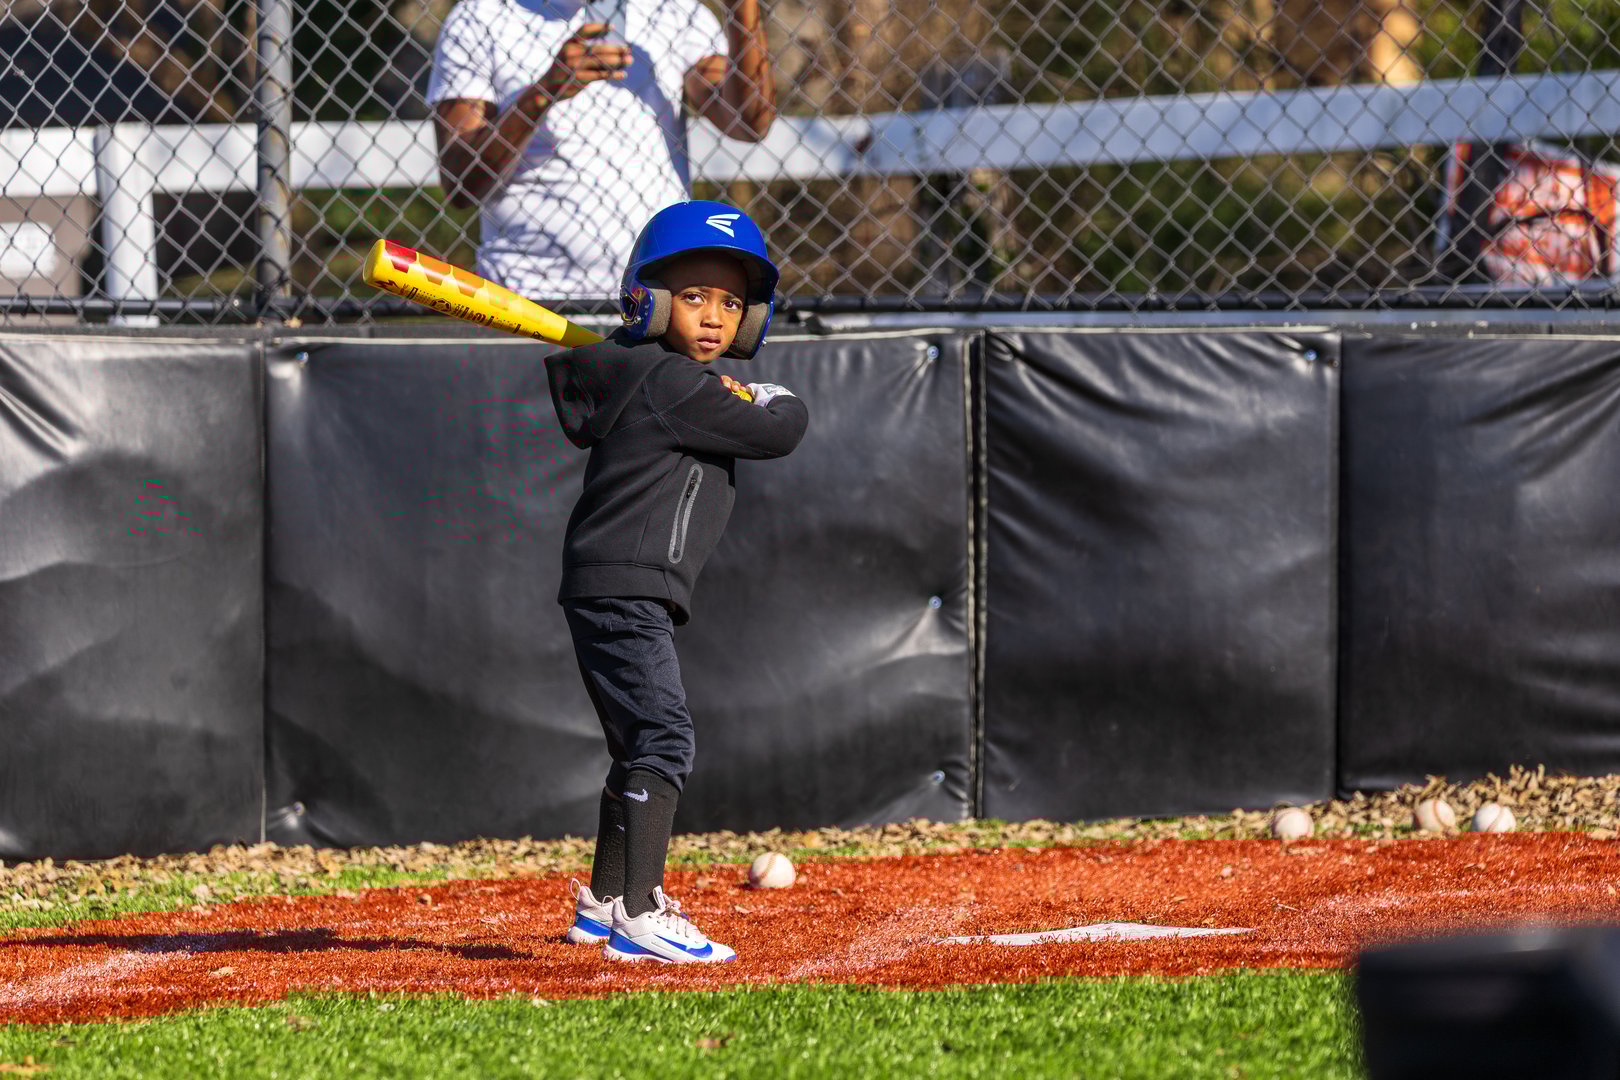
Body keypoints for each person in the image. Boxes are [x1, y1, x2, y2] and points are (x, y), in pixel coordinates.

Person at [544, 200, 808, 963]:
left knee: (637, 745)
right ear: (648, 300)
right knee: (663, 736)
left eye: (731, 301)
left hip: (613, 585)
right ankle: (639, 914)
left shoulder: (658, 377)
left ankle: (601, 903)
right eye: (693, 296)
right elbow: (780, 430)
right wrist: (769, 394)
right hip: (626, 588)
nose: (715, 316)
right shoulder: (671, 384)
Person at [428, 0, 776, 301]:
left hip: (654, 294)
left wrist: (740, 10)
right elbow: (461, 183)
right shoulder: (479, 15)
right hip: (525, 297)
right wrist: (544, 92)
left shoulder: (677, 10)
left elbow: (749, 124)